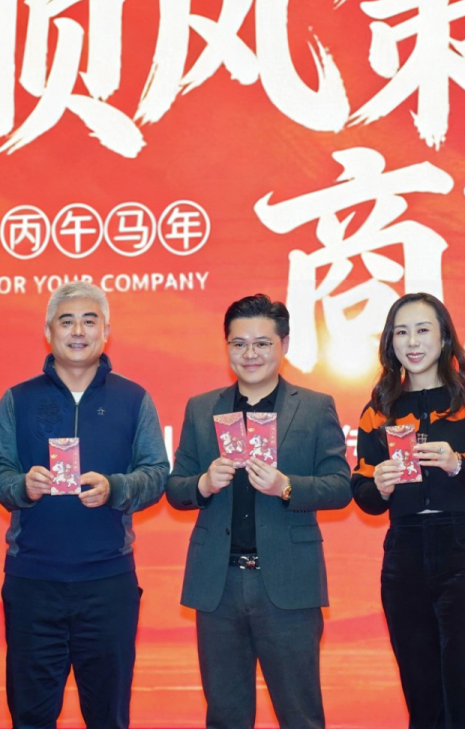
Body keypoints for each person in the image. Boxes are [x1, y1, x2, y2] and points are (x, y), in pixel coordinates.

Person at [0, 282, 168, 729]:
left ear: (106, 331)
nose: (78, 331)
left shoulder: (134, 398)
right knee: (30, 715)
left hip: (108, 581)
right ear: (48, 332)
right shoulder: (18, 398)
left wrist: (116, 488)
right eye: (67, 322)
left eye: (89, 321)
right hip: (33, 581)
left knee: (108, 716)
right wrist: (22, 486)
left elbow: (156, 472)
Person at [167, 294, 351, 729]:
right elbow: (176, 488)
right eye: (239, 343)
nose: (250, 354)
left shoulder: (314, 406)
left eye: (262, 343)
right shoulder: (202, 408)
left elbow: (340, 486)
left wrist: (286, 486)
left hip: (287, 583)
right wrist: (202, 484)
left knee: (300, 713)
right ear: (227, 347)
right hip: (219, 583)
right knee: (226, 714)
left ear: (283, 345)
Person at [352, 293, 465, 729]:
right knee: (422, 694)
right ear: (390, 342)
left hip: (463, 551)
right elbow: (363, 492)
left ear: (444, 337)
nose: (412, 342)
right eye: (401, 332)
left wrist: (458, 464)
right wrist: (380, 486)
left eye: (423, 330)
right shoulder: (379, 409)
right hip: (405, 554)